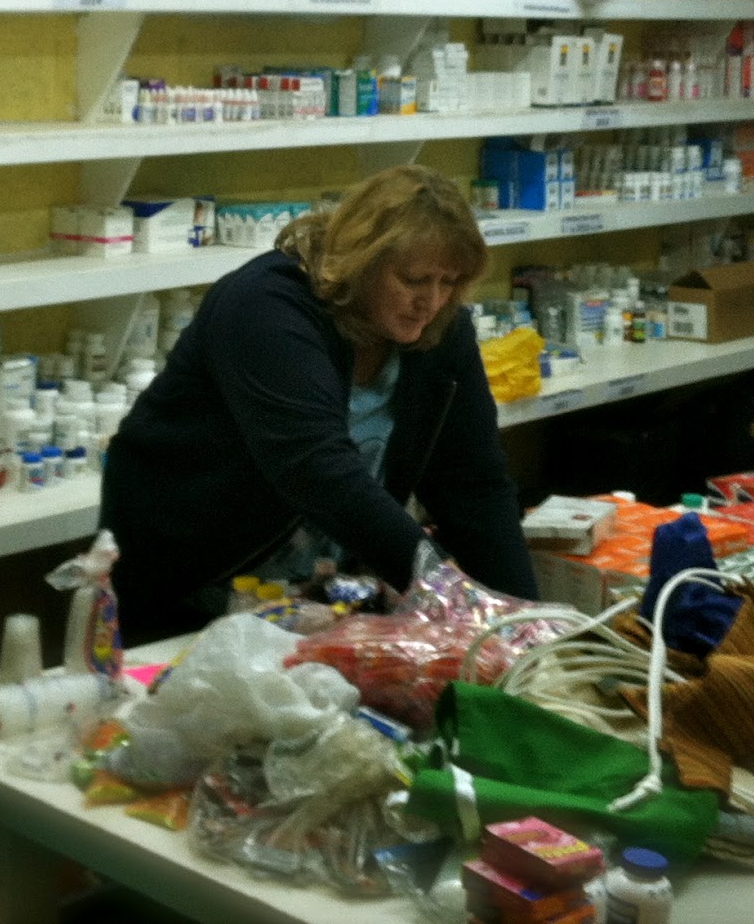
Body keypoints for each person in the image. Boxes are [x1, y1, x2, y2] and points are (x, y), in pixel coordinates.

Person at [101, 164, 537, 641]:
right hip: (190, 585)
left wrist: (522, 623)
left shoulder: (440, 329)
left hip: (312, 595)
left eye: (449, 282)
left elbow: (474, 484)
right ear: (362, 262)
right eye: (414, 280)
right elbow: (319, 467)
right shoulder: (264, 306)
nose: (431, 301)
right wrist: (444, 587)